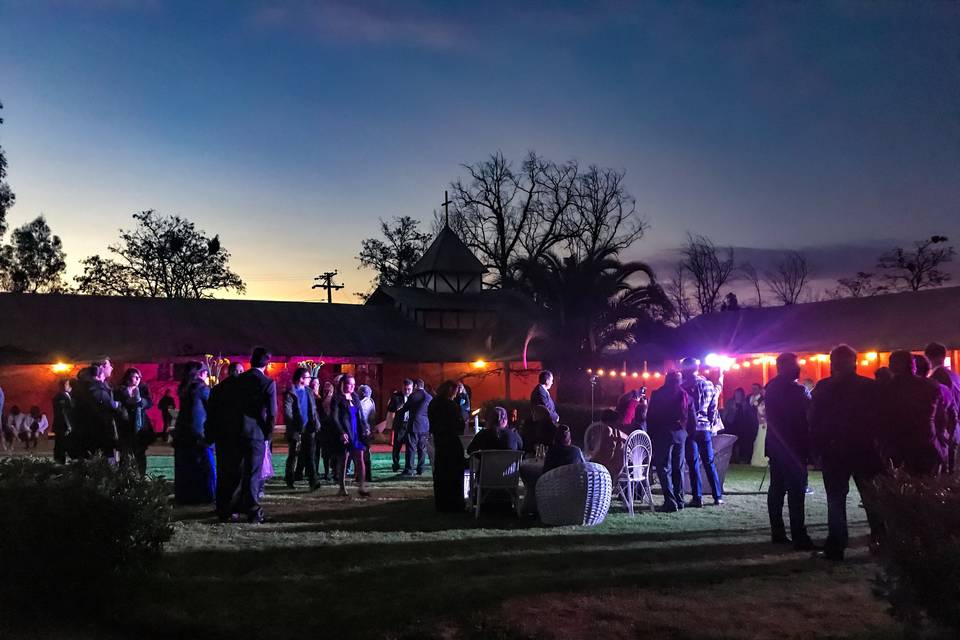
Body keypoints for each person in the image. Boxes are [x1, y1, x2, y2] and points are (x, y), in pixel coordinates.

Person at [809, 344, 885, 561]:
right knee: (871, 499)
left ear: (833, 363)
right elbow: (879, 419)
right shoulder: (869, 387)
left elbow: (814, 421)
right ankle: (881, 542)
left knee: (836, 500)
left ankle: (836, 546)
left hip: (835, 450)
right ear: (855, 362)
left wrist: (817, 449)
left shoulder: (824, 387)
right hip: (864, 449)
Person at [764, 353, 817, 550]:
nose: (799, 368)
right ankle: (799, 535)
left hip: (776, 445)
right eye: (795, 365)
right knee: (796, 491)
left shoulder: (771, 387)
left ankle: (777, 532)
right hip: (794, 446)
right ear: (783, 366)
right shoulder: (797, 390)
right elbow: (807, 415)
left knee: (776, 489)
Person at [882, 351, 950, 475]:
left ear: (893, 366)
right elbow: (942, 418)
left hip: (897, 447)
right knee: (927, 486)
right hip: (928, 444)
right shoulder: (931, 385)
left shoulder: (886, 388)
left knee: (901, 489)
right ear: (913, 365)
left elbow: (881, 420)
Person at [235, 348, 277, 523]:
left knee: (237, 471)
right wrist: (268, 433)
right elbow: (273, 412)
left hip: (237, 430)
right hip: (256, 432)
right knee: (253, 473)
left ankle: (234, 506)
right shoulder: (267, 383)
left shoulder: (240, 380)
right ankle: (252, 510)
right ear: (267, 364)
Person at [681, 357, 724, 507]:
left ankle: (697, 497)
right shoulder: (708, 384)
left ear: (686, 368)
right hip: (705, 428)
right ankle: (718, 496)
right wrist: (711, 423)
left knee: (693, 463)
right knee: (709, 463)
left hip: (691, 429)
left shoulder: (683, 386)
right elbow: (714, 406)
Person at [207, 361, 245, 521]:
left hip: (222, 436)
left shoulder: (217, 390)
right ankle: (233, 507)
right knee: (237, 473)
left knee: (223, 472)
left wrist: (210, 435)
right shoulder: (242, 390)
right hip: (237, 435)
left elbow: (211, 415)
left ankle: (222, 506)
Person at [646, 371, 689, 512]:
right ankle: (679, 499)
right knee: (679, 468)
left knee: (664, 468)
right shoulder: (683, 394)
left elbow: (651, 416)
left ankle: (670, 501)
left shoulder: (658, 394)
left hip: (663, 433)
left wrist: (651, 434)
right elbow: (688, 415)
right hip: (680, 434)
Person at [173, 362, 215, 505]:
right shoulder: (201, 388)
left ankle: (186, 495)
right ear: (202, 373)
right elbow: (212, 408)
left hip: (183, 432)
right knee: (205, 466)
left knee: (186, 466)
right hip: (198, 433)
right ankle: (206, 495)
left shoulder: (184, 388)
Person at [428, 380, 466, 512]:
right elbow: (459, 426)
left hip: (439, 441)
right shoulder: (451, 405)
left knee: (441, 473)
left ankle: (441, 503)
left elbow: (431, 423)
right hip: (451, 441)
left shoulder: (433, 403)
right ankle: (455, 503)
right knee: (454, 473)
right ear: (450, 390)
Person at [331, 374, 370, 497]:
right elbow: (335, 418)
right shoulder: (337, 398)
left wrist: (365, 428)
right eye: (350, 384)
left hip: (357, 433)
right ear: (343, 384)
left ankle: (362, 487)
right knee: (344, 460)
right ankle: (342, 488)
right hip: (346, 432)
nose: (353, 386)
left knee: (360, 459)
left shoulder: (355, 397)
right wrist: (341, 432)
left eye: (354, 384)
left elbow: (361, 415)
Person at [925, 342, 960, 474]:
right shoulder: (955, 376)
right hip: (955, 428)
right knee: (952, 470)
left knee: (942, 471)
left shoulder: (936, 378)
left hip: (944, 429)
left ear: (928, 357)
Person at [283, 367, 318, 490]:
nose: (310, 380)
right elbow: (288, 412)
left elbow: (313, 409)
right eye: (308, 377)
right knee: (293, 455)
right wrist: (293, 426)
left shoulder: (308, 391)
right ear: (301, 378)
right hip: (296, 429)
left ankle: (313, 481)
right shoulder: (291, 392)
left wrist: (316, 423)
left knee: (310, 454)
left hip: (308, 428)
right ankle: (289, 478)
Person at [114, 368, 154, 474]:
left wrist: (140, 401)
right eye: (134, 377)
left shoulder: (143, 388)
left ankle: (141, 476)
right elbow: (117, 404)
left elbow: (149, 402)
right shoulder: (120, 390)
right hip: (125, 425)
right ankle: (124, 477)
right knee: (125, 452)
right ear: (128, 378)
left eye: (139, 377)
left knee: (140, 452)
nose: (137, 380)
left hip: (140, 425)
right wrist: (127, 401)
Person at [400, 378, 432, 476]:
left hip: (413, 425)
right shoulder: (429, 397)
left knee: (411, 448)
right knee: (422, 448)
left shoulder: (413, 396)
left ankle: (409, 469)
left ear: (416, 386)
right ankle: (420, 469)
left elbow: (405, 408)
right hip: (425, 426)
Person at [723, 387, 759, 465]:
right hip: (731, 425)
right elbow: (725, 414)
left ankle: (741, 458)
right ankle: (732, 458)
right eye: (736, 394)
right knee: (732, 442)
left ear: (742, 395)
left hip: (742, 426)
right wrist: (732, 411)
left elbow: (749, 414)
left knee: (742, 442)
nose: (737, 395)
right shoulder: (730, 402)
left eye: (739, 394)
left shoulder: (745, 402)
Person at [529, 370, 559, 454]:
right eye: (551, 380)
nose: (552, 382)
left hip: (546, 422)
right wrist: (556, 417)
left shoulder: (542, 390)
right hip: (545, 423)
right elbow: (546, 408)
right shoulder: (540, 391)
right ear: (547, 380)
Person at [387, 380, 413, 472]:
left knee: (410, 447)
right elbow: (390, 408)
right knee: (397, 447)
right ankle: (396, 464)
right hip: (400, 424)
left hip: (410, 425)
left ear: (412, 388)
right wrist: (398, 407)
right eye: (405, 389)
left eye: (409, 389)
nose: (407, 391)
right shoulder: (396, 396)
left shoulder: (414, 397)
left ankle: (408, 466)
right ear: (402, 387)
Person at [316, 380, 337, 480]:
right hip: (324, 429)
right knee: (325, 453)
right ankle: (327, 472)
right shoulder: (320, 401)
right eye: (325, 390)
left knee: (333, 452)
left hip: (333, 429)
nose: (327, 392)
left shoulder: (334, 400)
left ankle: (334, 471)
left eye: (329, 390)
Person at [52, 379, 75, 464]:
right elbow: (63, 412)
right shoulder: (60, 397)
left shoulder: (66, 395)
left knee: (61, 444)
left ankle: (60, 461)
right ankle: (60, 462)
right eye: (67, 384)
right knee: (61, 444)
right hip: (62, 425)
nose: (69, 386)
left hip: (62, 425)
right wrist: (68, 426)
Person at [748, 383, 768, 467]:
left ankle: (762, 459)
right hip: (761, 423)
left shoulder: (765, 400)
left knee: (762, 441)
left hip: (764, 423)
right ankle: (758, 459)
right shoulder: (763, 401)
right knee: (759, 441)